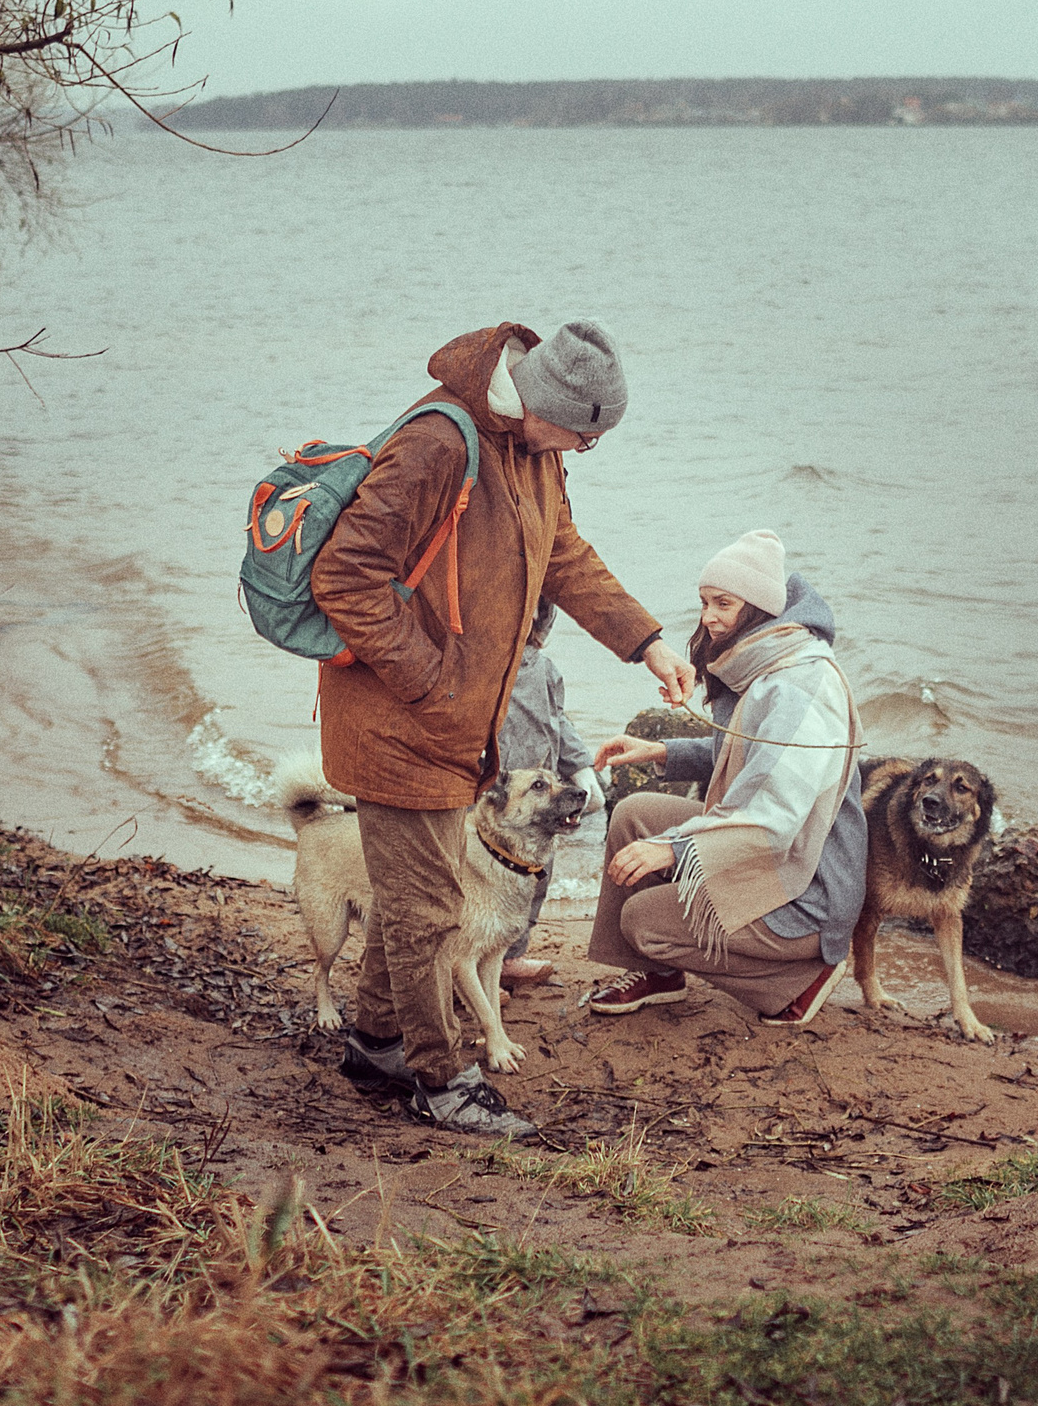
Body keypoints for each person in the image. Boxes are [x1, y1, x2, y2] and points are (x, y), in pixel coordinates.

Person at [312, 322, 692, 1139]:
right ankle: (441, 1077)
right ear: (549, 405)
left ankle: (375, 1041)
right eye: (585, 435)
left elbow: (565, 555)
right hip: (396, 720)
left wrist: (647, 642)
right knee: (430, 906)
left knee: (417, 895)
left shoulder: (535, 451)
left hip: (456, 726)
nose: (586, 450)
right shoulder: (437, 443)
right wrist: (432, 681)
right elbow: (344, 574)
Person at [583, 530, 867, 1026]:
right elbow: (752, 756)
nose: (708, 617)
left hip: (806, 887)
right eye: (704, 602)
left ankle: (796, 978)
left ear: (758, 607)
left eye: (723, 603)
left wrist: (675, 850)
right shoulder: (765, 658)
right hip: (779, 852)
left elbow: (773, 817)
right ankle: (657, 975)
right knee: (634, 816)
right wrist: (660, 752)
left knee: (643, 920)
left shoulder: (802, 684)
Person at [495, 600, 598, 990]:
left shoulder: (543, 668)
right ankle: (482, 961)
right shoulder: (488, 665)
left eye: (536, 612)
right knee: (489, 877)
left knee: (537, 872)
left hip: (541, 796)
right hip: (499, 795)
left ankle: (510, 956)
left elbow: (560, 721)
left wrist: (582, 767)